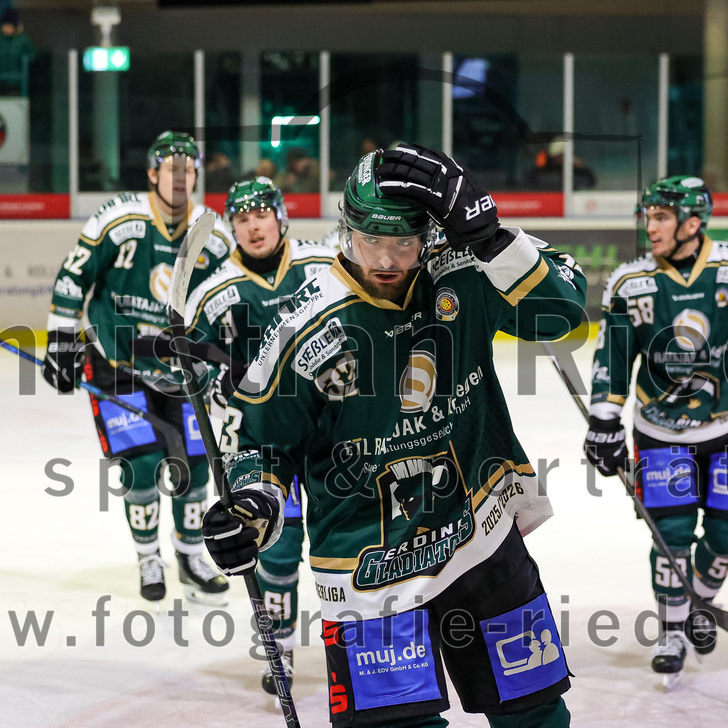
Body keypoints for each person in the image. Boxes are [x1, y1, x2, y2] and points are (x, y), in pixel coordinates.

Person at [203, 144, 587, 727]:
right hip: (367, 567)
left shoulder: (464, 271)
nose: (385, 259)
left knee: (536, 716)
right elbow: (264, 448)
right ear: (343, 231)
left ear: (430, 237)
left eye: (403, 243)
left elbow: (562, 316)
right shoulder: (303, 330)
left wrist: (490, 239)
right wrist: (255, 505)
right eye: (369, 241)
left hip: (479, 537)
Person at [584, 175, 728, 678]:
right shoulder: (630, 282)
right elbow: (612, 356)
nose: (650, 226)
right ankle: (672, 631)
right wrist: (604, 420)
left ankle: (698, 602)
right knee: (669, 534)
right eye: (647, 216)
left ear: (693, 223)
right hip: (661, 430)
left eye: (662, 217)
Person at [42, 131, 233, 605]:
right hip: (116, 364)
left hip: (181, 373)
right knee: (141, 466)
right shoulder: (119, 217)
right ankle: (149, 556)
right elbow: (73, 276)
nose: (179, 177)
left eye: (188, 170)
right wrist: (61, 340)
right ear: (152, 174)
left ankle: (190, 556)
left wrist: (231, 363)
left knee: (192, 467)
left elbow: (231, 304)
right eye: (170, 169)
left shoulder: (214, 234)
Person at [183, 177, 335, 694]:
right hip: (263, 442)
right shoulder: (213, 293)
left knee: (354, 542)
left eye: (260, 215)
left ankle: (365, 646)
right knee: (277, 546)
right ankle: (281, 651)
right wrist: (193, 367)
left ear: (280, 217)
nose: (253, 226)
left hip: (337, 432)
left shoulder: (323, 265)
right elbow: (192, 380)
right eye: (242, 219)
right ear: (232, 229)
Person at [0, 7, 34, 95]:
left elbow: (31, 56)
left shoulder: (23, 40)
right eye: (5, 25)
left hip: (18, 81)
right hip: (0, 81)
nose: (7, 28)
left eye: (10, 25)